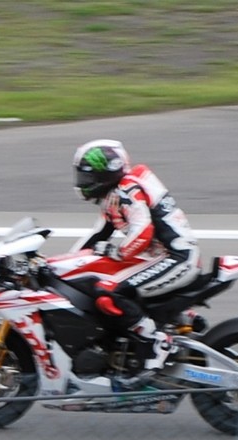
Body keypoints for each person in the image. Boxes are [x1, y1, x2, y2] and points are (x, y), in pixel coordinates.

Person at [71, 139, 201, 382]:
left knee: (111, 292)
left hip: (177, 258)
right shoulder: (114, 195)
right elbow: (96, 235)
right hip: (162, 257)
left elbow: (143, 233)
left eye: (87, 177)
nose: (82, 183)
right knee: (102, 279)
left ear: (104, 174)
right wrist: (63, 264)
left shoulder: (128, 190)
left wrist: (116, 252)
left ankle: (156, 343)